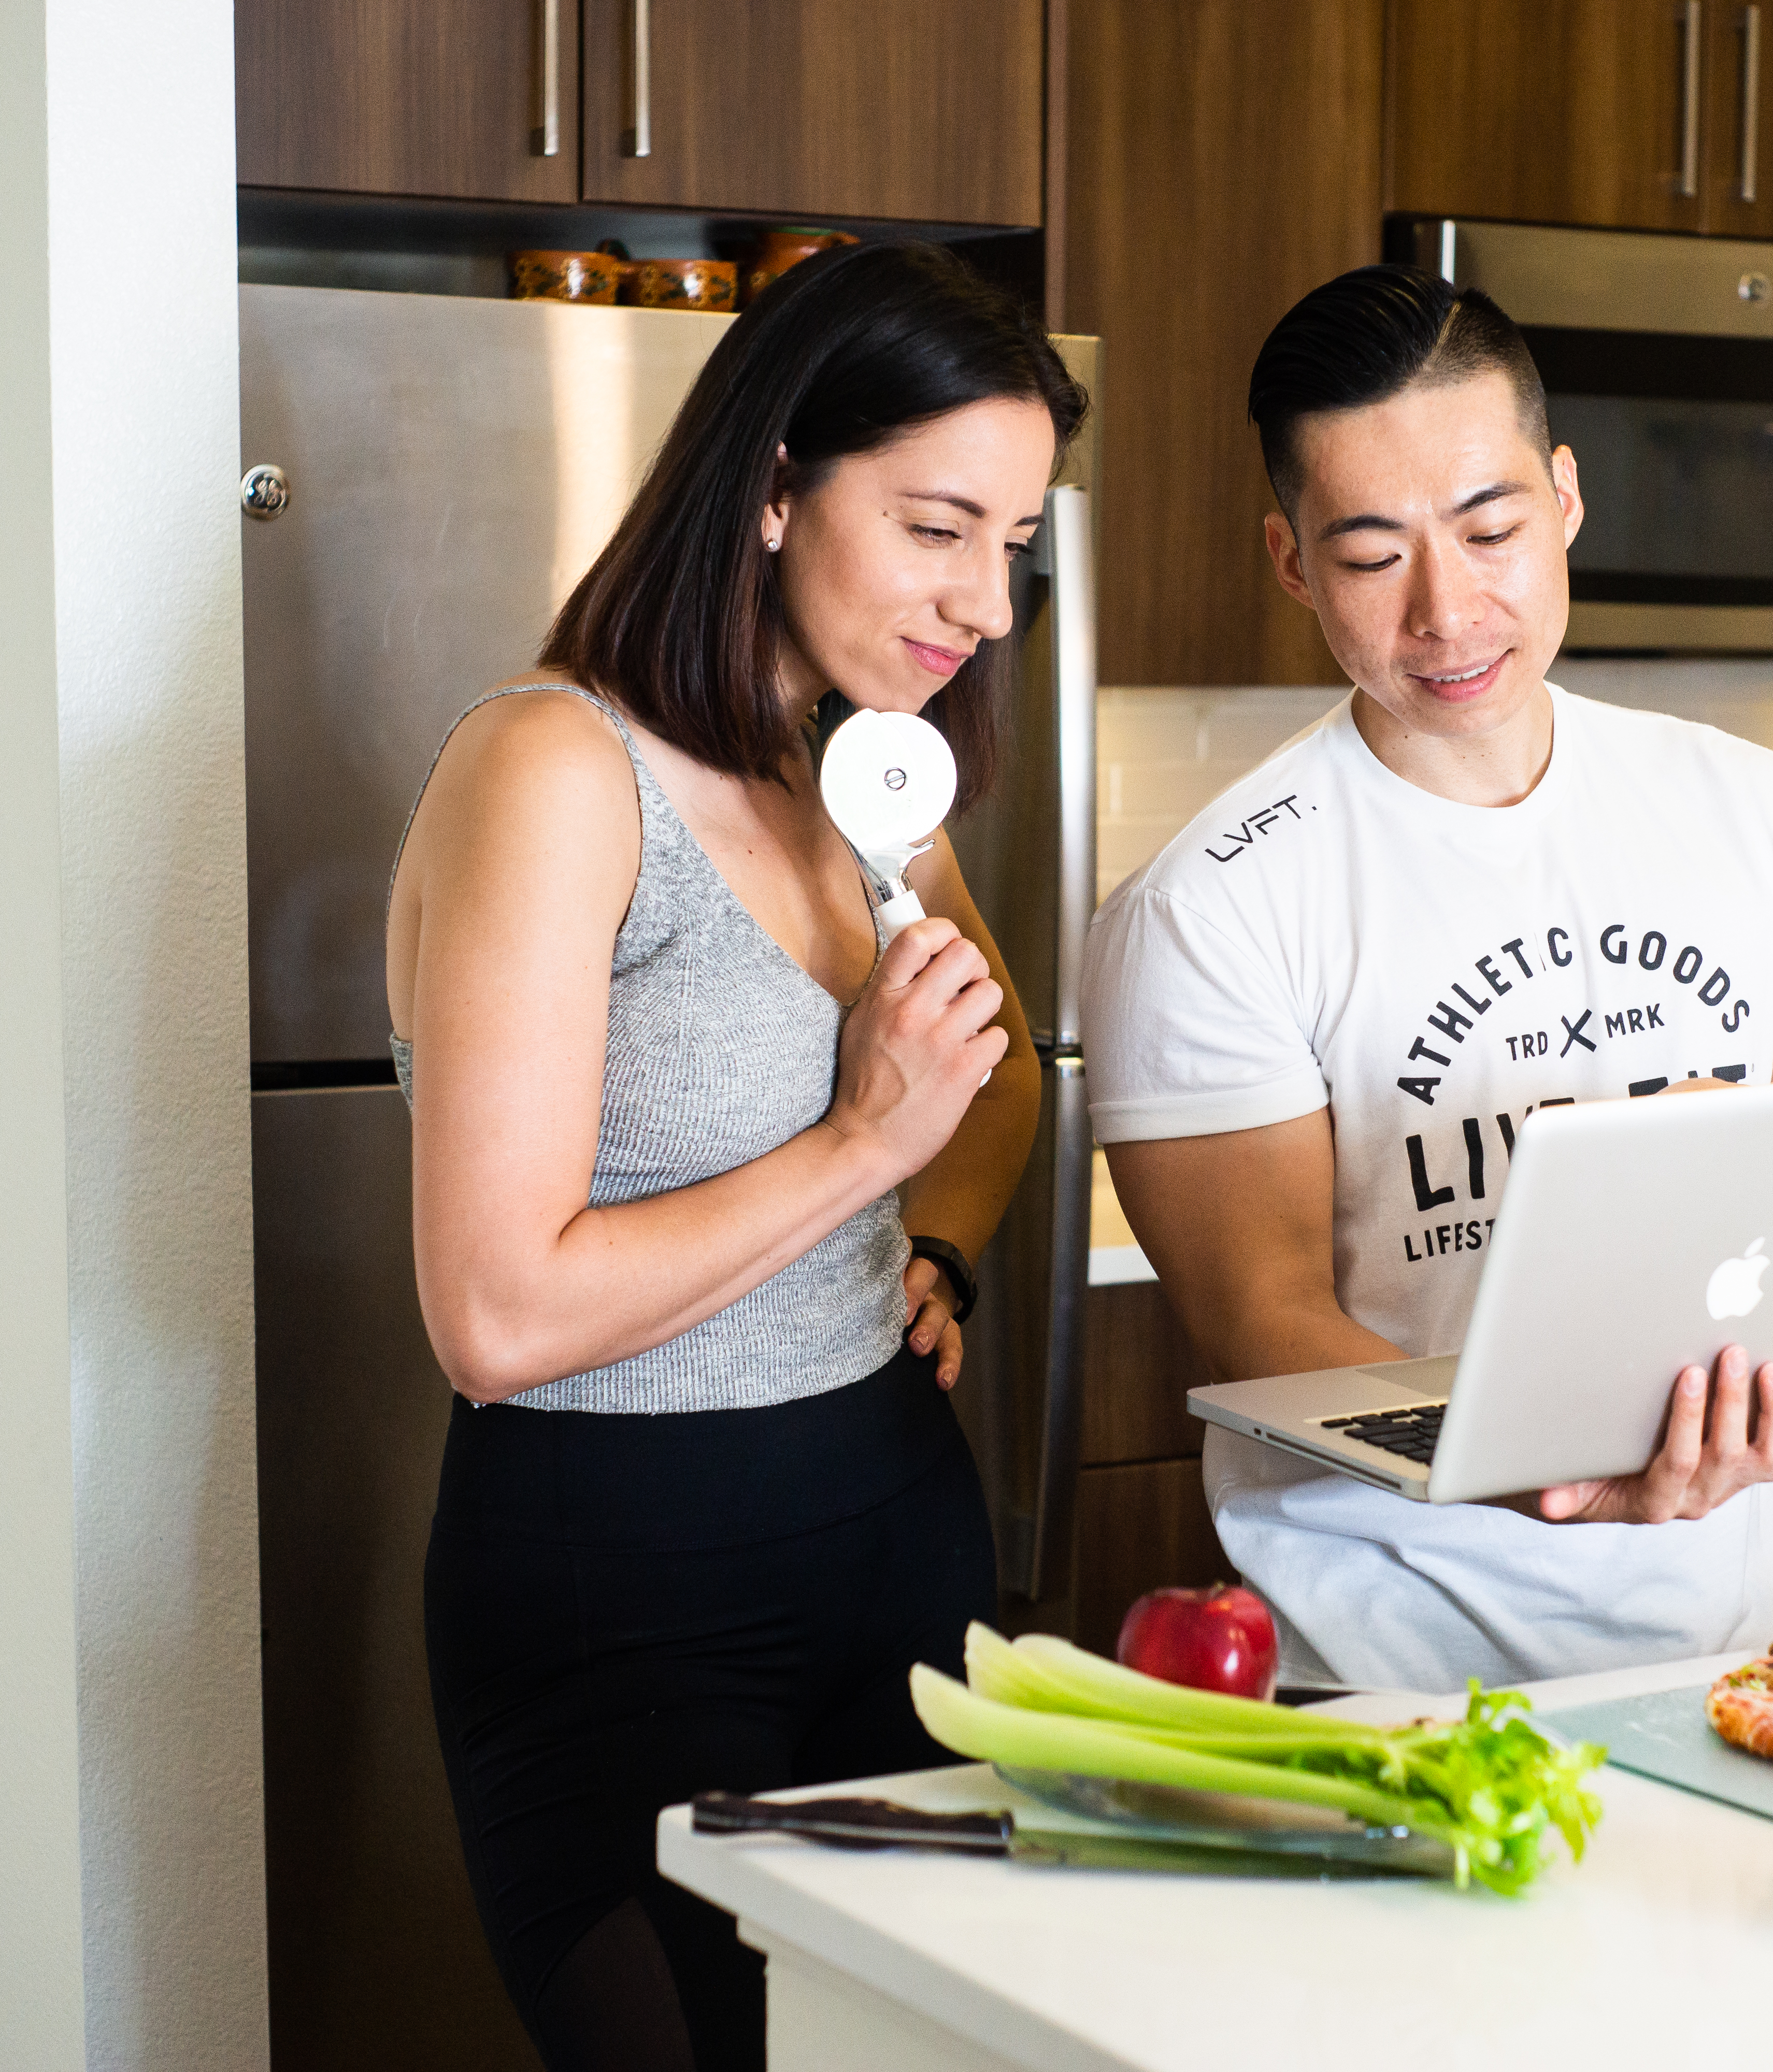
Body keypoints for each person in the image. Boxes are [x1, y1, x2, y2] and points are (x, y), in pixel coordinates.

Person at [385, 240, 1083, 2072]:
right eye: (938, 526)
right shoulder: (554, 769)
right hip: (621, 1589)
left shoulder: (861, 768)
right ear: (775, 483)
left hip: (891, 1530)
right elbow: (495, 1313)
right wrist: (862, 1148)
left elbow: (987, 1084)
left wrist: (939, 1252)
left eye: (1011, 542)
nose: (987, 604)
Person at [1081, 265, 1773, 1694]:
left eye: (1490, 528)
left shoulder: (1746, 806)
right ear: (1290, 562)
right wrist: (1552, 1469)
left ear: (1568, 499)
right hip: (1387, 1675)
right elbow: (1270, 1334)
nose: (1447, 609)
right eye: (1369, 555)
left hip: (1733, 1658)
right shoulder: (1212, 908)